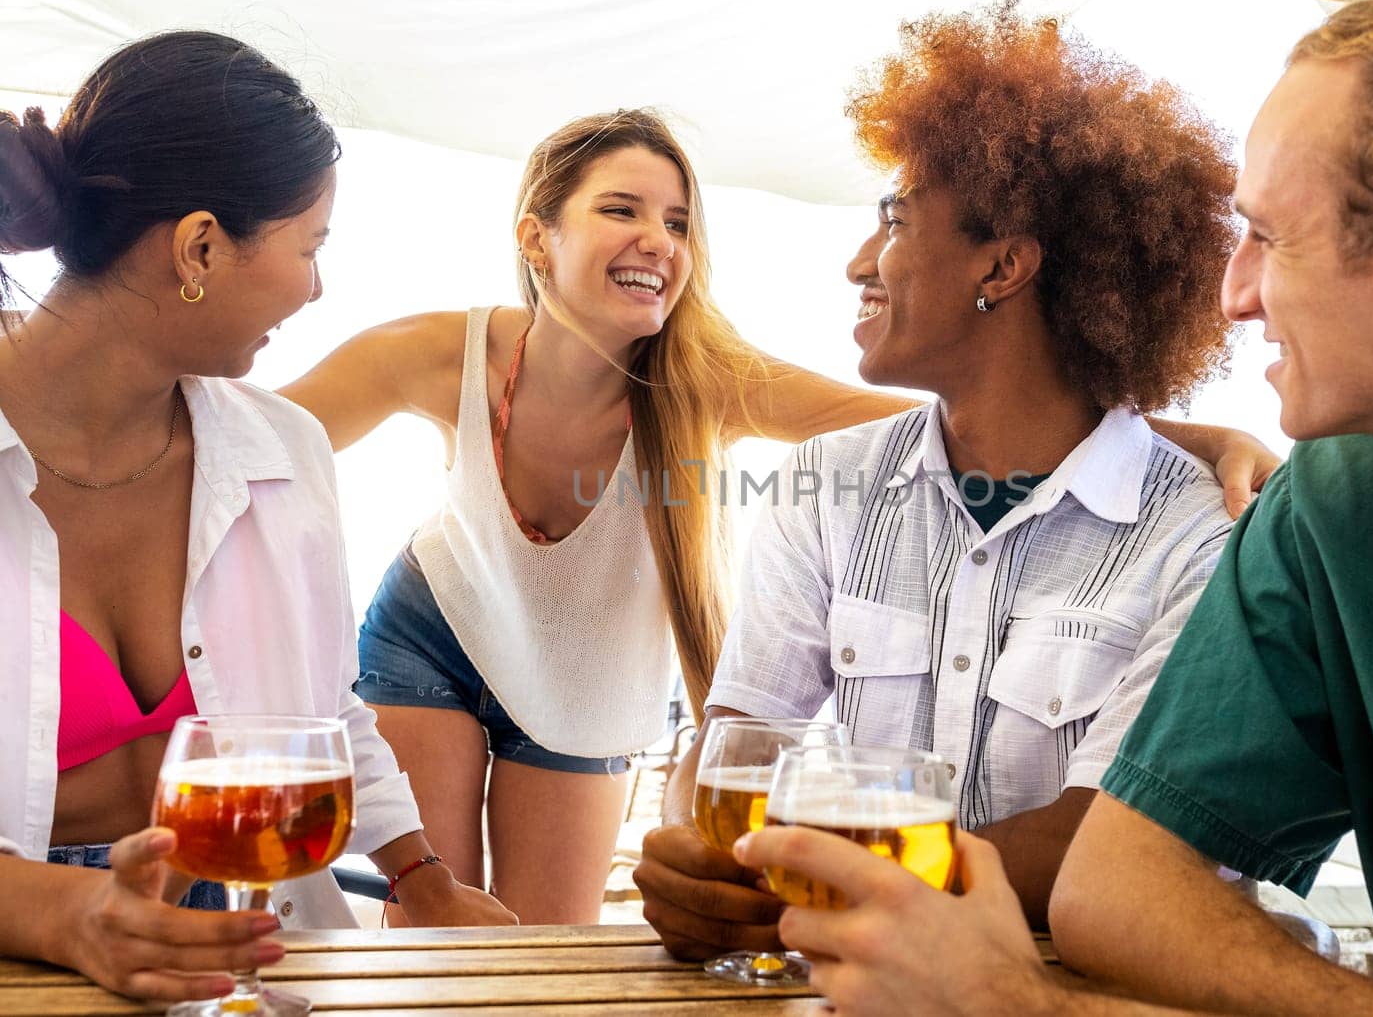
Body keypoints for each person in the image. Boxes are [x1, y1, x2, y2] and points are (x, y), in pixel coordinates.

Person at [740, 0, 1373, 1017]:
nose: (1233, 295)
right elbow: (1121, 881)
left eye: (1270, 238)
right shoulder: (1335, 506)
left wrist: (1020, 1004)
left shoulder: (1213, 515)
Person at [280, 107, 1277, 924]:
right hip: (434, 630)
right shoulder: (428, 349)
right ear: (536, 234)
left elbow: (985, 414)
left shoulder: (713, 381)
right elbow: (256, 454)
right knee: (438, 927)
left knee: (543, 947)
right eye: (621, 208)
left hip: (583, 680)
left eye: (677, 222)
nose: (657, 241)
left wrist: (1184, 443)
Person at [634, 0, 1245, 960]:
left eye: (892, 220)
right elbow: (737, 743)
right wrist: (700, 855)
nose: (857, 263)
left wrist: (813, 874)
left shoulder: (1199, 538)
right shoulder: (825, 489)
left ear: (1002, 264)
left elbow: (1101, 839)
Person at [0, 31, 510, 1006]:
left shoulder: (282, 450)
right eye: (309, 246)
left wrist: (423, 875)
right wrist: (66, 913)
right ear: (199, 246)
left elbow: (328, 709)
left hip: (237, 939)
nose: (315, 286)